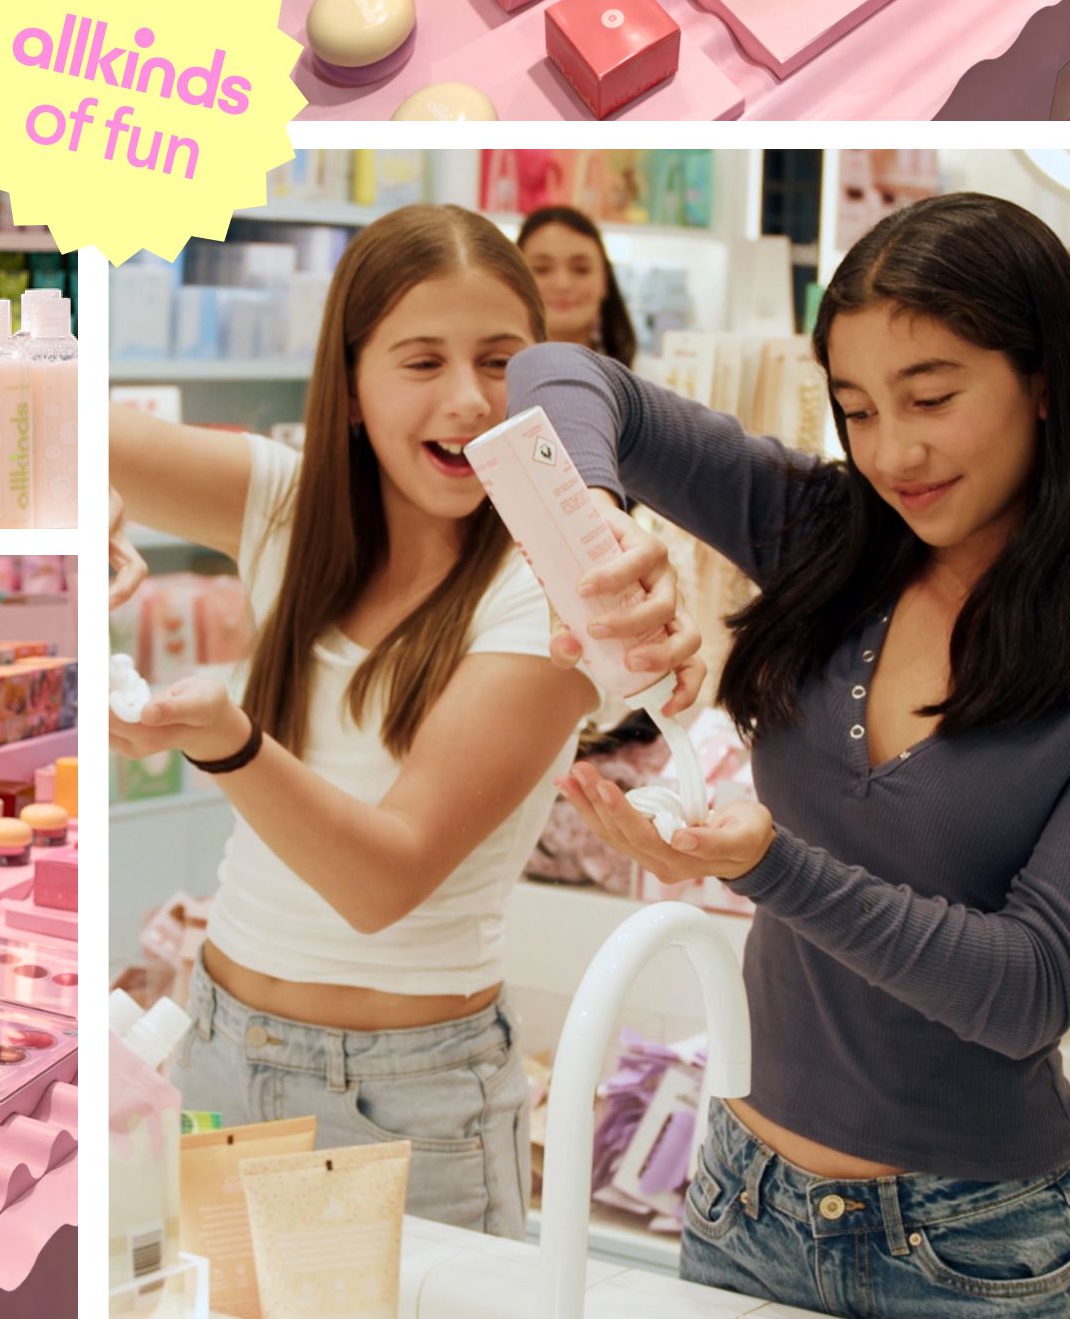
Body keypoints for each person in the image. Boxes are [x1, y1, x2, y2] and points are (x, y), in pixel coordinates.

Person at [510, 191, 1070, 1316]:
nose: (891, 452)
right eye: (856, 409)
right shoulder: (830, 533)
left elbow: (1028, 992)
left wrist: (770, 867)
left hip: (976, 1246)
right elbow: (555, 379)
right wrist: (605, 525)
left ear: (1044, 379)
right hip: (741, 1199)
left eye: (932, 397)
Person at [108, 203, 700, 1233]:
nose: (468, 400)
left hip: (406, 1101)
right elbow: (61, 422)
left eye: (501, 361)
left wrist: (228, 742)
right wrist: (81, 507)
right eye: (421, 361)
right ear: (351, 388)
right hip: (219, 1045)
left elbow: (383, 877)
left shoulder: (555, 592)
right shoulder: (287, 511)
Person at [519, 205, 639, 367]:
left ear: (605, 281)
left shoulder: (644, 381)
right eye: (542, 269)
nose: (562, 284)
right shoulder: (485, 380)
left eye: (581, 270)